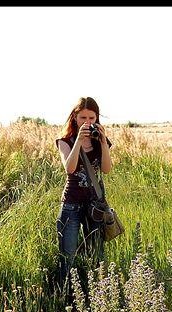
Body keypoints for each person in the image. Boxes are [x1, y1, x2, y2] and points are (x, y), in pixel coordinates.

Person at [54, 97, 113, 293]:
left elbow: (106, 170)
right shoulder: (65, 141)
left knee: (96, 257)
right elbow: (69, 169)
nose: (87, 122)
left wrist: (104, 143)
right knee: (67, 257)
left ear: (97, 118)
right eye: (82, 117)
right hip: (71, 204)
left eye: (91, 117)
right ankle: (65, 296)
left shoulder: (99, 140)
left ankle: (96, 296)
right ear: (74, 118)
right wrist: (79, 140)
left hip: (94, 206)